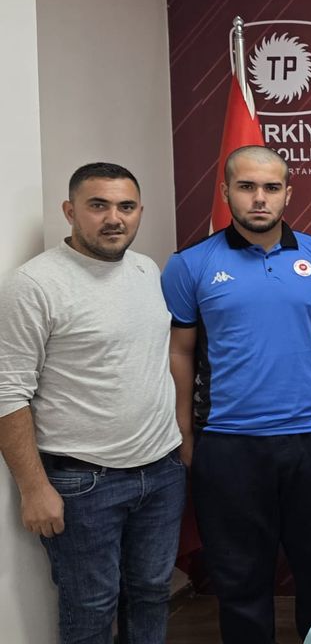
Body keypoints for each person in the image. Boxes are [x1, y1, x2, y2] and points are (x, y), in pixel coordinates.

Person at [162, 145, 311, 644]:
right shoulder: (190, 265)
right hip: (229, 445)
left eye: (271, 188)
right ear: (226, 191)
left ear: (288, 193)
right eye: (246, 186)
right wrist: (185, 431)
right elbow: (180, 351)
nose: (259, 198)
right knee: (240, 583)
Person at [0, 163, 184, 644]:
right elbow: (8, 391)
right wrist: (33, 488)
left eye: (126, 206)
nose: (114, 218)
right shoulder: (34, 284)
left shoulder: (146, 269)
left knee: (151, 592)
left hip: (161, 472)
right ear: (70, 211)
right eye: (98, 205)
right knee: (91, 607)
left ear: (140, 211)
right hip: (84, 483)